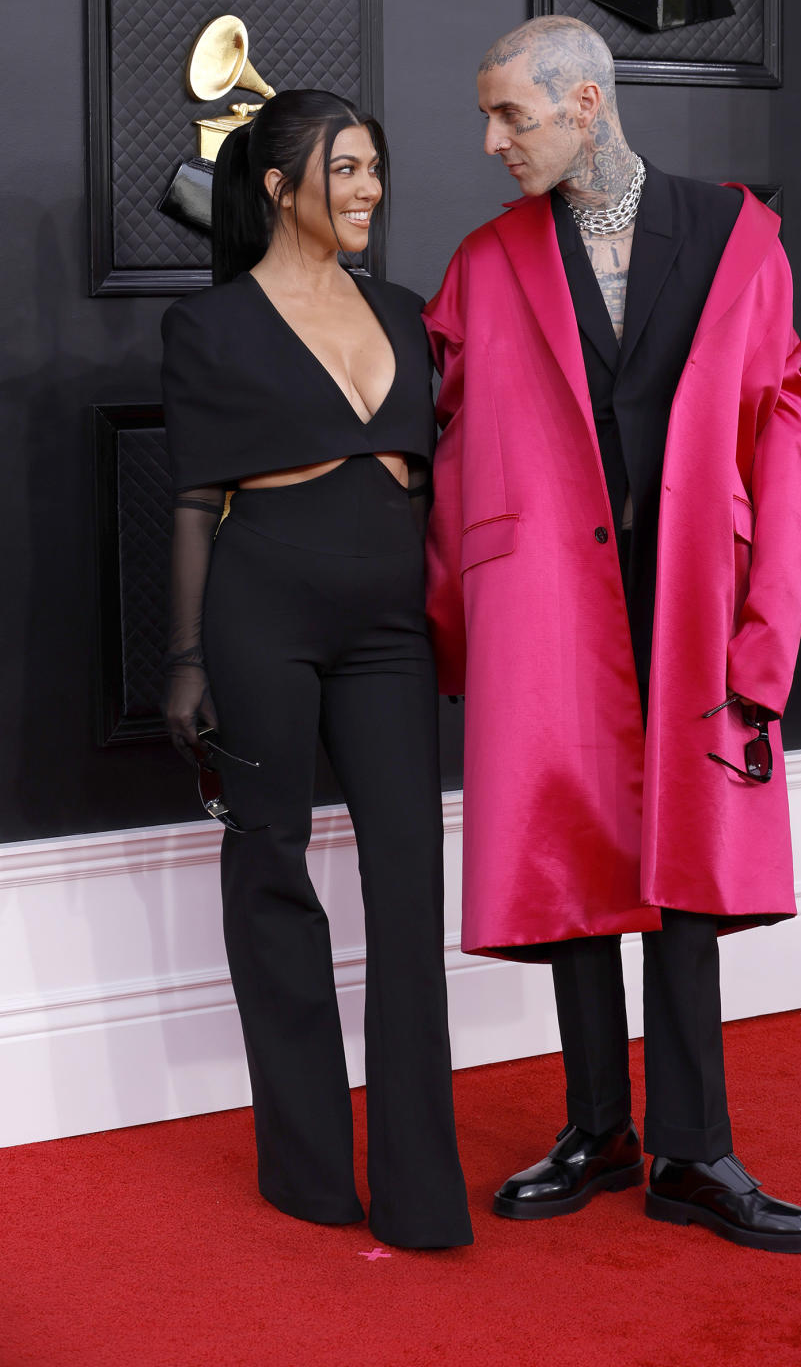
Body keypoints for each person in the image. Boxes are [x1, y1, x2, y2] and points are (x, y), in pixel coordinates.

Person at [424, 17, 801, 1253]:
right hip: (551, 598)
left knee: (688, 868)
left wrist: (765, 633)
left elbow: (790, 431)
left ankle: (694, 1149)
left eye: (514, 115)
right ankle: (598, 1124)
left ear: (587, 103)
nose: (493, 141)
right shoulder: (487, 262)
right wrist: (463, 626)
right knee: (572, 851)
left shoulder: (733, 239)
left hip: (695, 593)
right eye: (491, 117)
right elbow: (449, 450)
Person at [159, 89, 472, 1251]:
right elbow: (196, 502)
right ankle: (304, 1166)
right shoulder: (208, 326)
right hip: (262, 607)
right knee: (272, 864)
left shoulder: (405, 309)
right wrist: (186, 658)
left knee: (407, 883)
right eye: (345, 170)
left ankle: (421, 1185)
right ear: (282, 187)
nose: (368, 190)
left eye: (376, 170)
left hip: (390, 622)